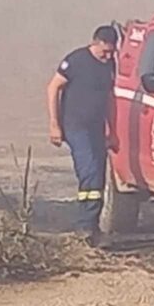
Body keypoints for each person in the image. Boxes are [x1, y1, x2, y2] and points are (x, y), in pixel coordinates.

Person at [47, 25, 120, 244]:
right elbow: (53, 88)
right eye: (104, 52)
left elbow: (110, 99)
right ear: (95, 43)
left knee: (99, 172)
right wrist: (54, 124)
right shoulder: (76, 60)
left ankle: (92, 226)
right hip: (75, 126)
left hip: (97, 127)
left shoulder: (110, 65)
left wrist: (113, 131)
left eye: (111, 52)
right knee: (89, 171)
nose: (107, 56)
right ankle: (85, 225)